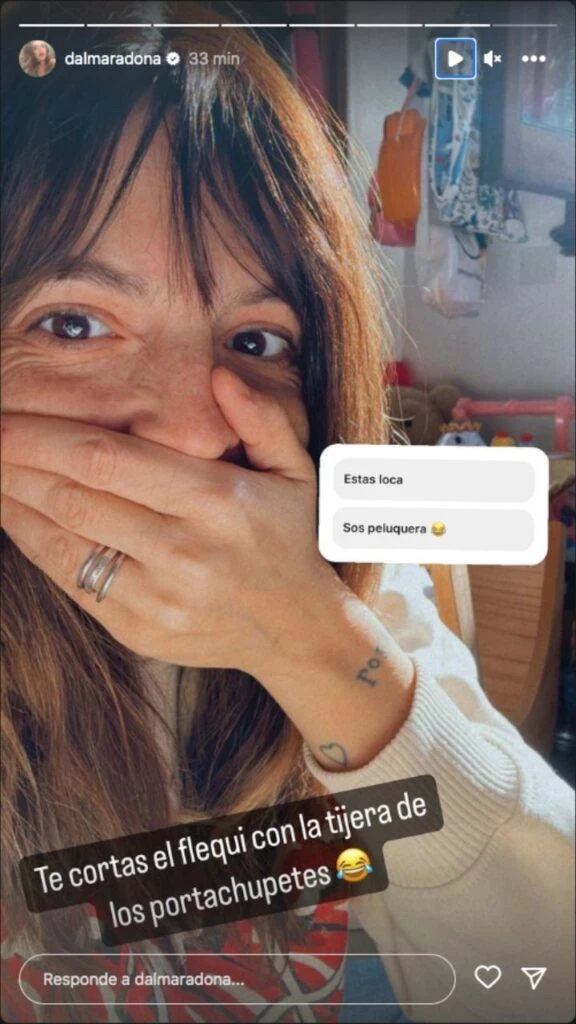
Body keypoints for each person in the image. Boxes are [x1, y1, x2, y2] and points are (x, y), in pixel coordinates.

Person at [1, 4, 574, 1023]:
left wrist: (317, 644)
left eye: (257, 339)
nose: (195, 434)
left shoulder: (351, 570)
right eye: (75, 323)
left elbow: (548, 972)